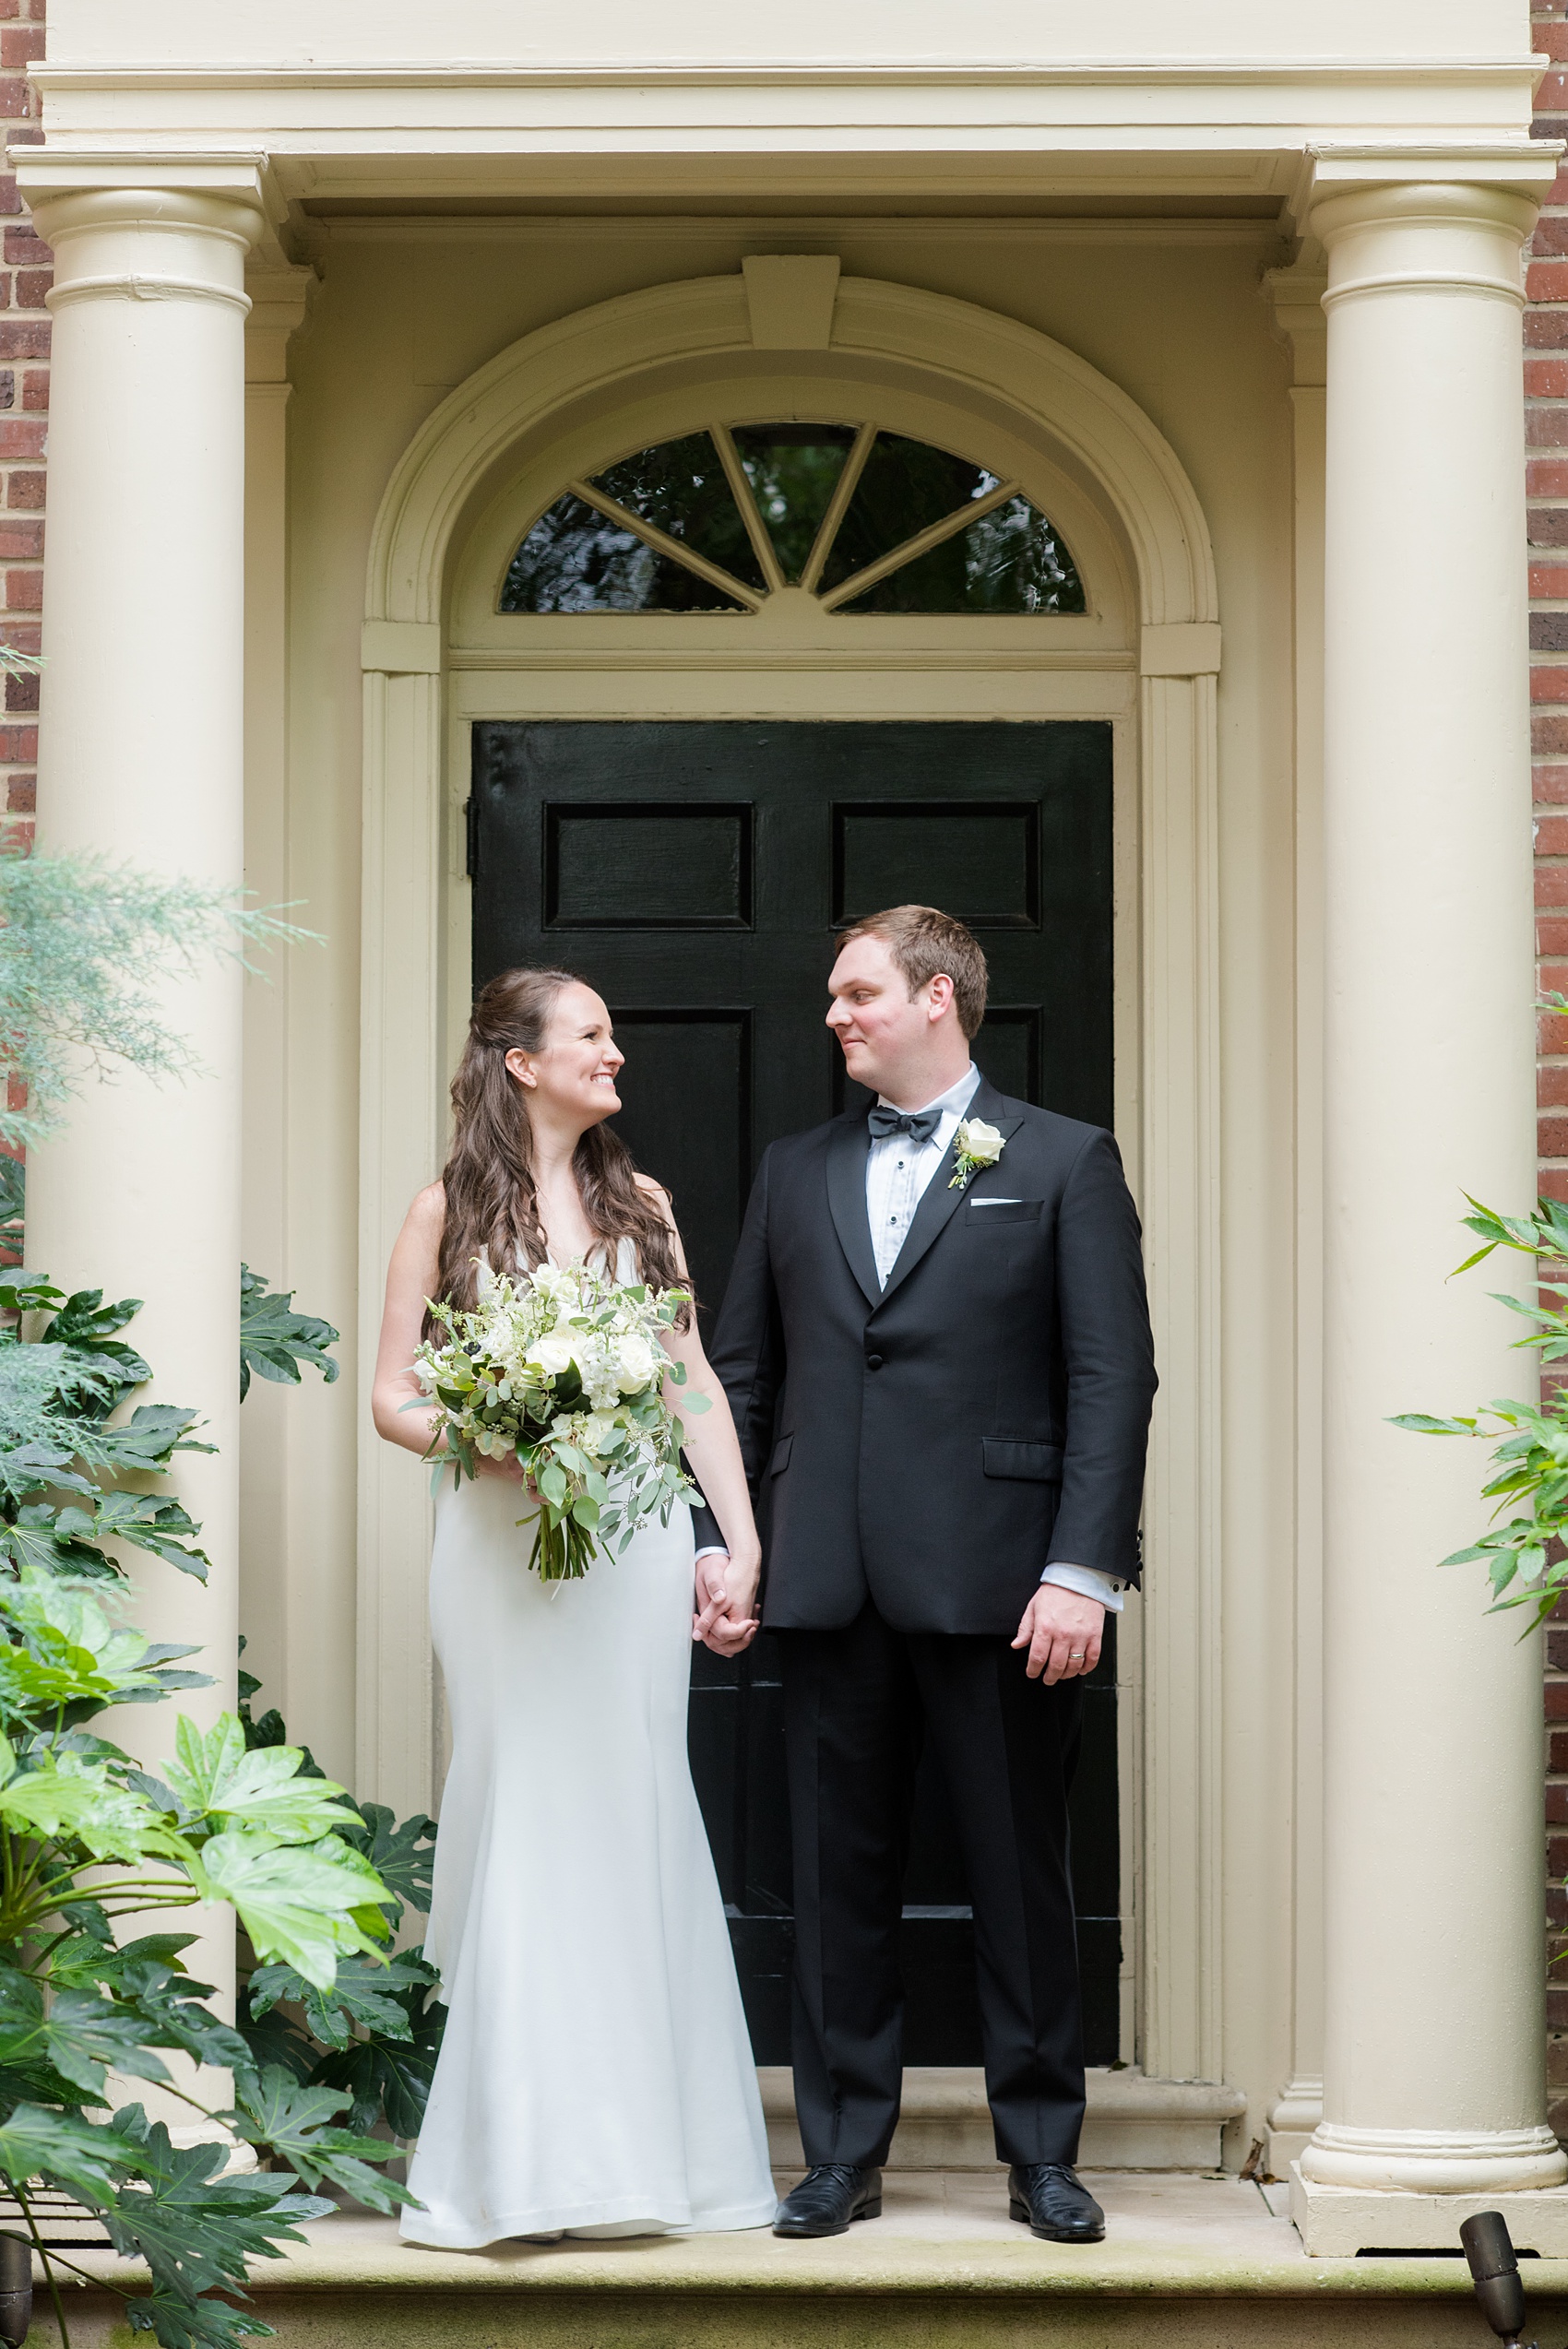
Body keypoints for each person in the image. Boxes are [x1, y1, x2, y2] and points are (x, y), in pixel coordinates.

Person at [704, 905, 1157, 2245]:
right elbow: (739, 1374)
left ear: (939, 997)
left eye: (857, 993)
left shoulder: (1065, 1161)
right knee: (834, 1881)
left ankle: (1041, 2153)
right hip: (827, 1579)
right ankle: (841, 2153)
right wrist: (729, 1544)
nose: (835, 1015)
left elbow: (1109, 1377)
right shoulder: (794, 1170)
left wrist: (1083, 1569)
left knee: (1020, 1873)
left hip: (1005, 1583)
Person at [371, 965, 775, 2248]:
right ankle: (509, 2163)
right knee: (523, 1804)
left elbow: (688, 1378)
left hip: (632, 1553)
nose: (617, 1053)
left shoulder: (638, 1203)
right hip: (499, 1553)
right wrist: (483, 1434)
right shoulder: (444, 1211)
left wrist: (738, 1543)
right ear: (520, 1062)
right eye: (593, 1034)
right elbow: (392, 1396)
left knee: (631, 1807)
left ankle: (645, 2160)